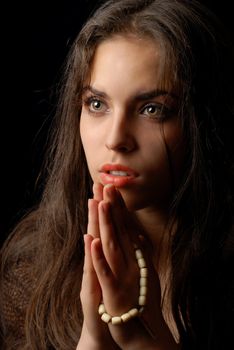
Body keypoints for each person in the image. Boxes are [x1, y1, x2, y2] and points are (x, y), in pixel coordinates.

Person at [1, 0, 234, 349]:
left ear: (204, 122)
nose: (116, 139)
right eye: (97, 104)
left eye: (153, 110)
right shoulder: (33, 264)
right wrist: (93, 337)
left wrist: (140, 338)